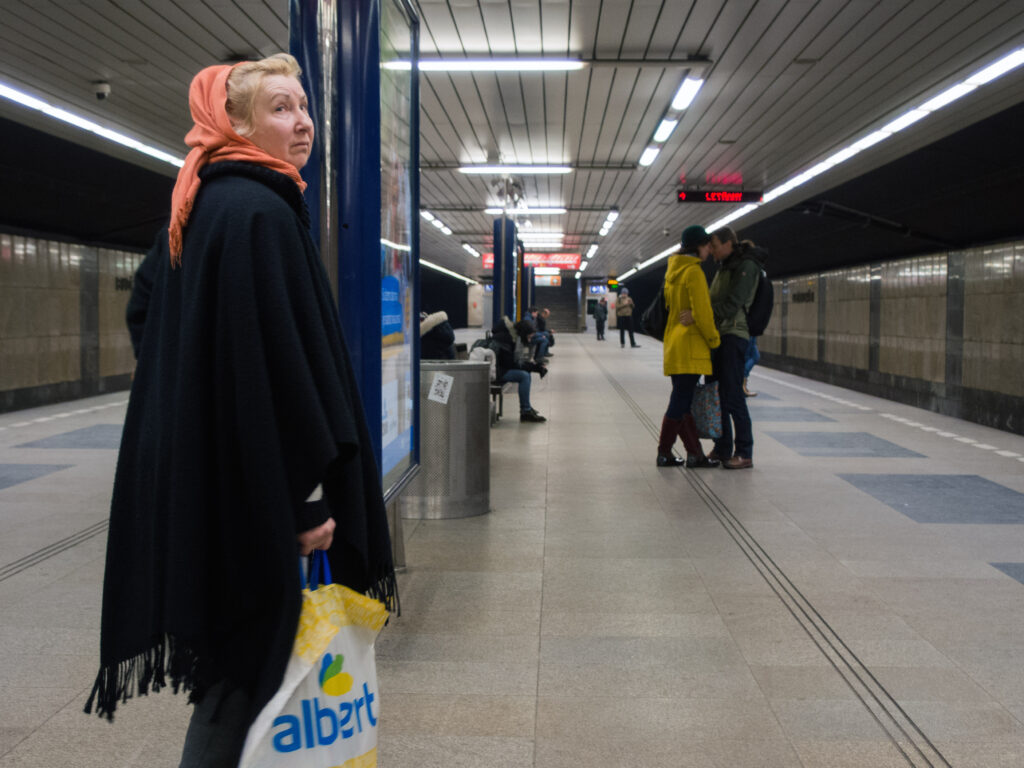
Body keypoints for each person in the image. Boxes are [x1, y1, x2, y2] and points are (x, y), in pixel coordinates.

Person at [85, 55, 398, 766]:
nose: (304, 122)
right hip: (262, 496)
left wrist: (195, 395)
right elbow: (283, 376)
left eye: (303, 106)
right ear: (236, 123)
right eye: (282, 108)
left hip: (218, 480)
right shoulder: (258, 211)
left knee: (235, 666)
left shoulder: (200, 204)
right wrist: (307, 503)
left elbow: (148, 314)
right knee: (245, 674)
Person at [701, 227, 767, 469]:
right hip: (718, 335)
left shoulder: (747, 266)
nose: (712, 250)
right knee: (716, 394)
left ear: (729, 243)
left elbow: (733, 303)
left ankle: (744, 451)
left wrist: (703, 315)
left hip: (733, 335)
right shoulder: (725, 267)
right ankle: (722, 447)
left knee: (732, 395)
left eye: (715, 245)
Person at [657, 225, 721, 467]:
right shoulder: (693, 272)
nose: (708, 250)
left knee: (682, 401)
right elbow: (703, 313)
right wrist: (714, 340)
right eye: (706, 246)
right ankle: (664, 451)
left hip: (674, 343)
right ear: (698, 246)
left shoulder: (672, 272)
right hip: (691, 346)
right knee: (680, 401)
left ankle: (695, 454)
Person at [492, 316, 547, 422]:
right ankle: (525, 411)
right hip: (497, 371)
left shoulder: (512, 337)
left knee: (525, 373)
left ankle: (526, 408)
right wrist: (534, 368)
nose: (529, 340)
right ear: (523, 333)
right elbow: (510, 364)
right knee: (524, 376)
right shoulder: (505, 339)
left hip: (501, 368)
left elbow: (515, 362)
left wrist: (534, 367)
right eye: (529, 337)